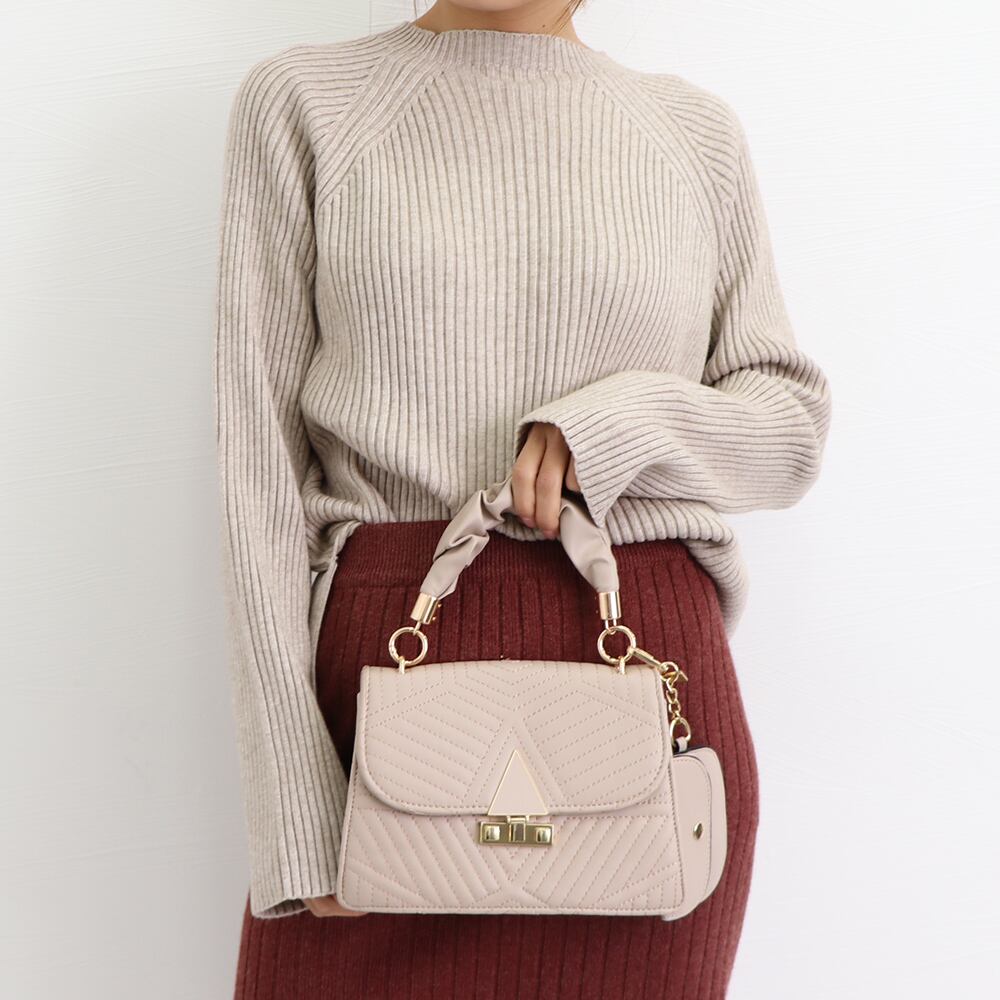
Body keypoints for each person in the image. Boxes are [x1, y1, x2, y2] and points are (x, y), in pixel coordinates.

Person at [213, 2, 833, 997]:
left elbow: (789, 432)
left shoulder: (693, 133)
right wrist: (292, 804)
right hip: (379, 711)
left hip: (648, 712)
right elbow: (256, 471)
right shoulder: (306, 103)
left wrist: (616, 429)